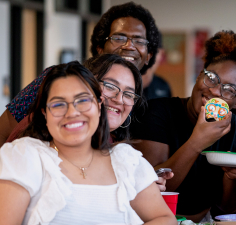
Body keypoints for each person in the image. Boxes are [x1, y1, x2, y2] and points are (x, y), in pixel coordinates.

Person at [0, 61, 177, 224]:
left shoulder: (126, 160)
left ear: (99, 106)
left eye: (83, 100)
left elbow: (165, 219)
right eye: (58, 104)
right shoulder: (24, 156)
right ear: (45, 113)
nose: (72, 112)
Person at [130, 30, 236, 222]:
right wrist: (197, 142)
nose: (214, 90)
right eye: (211, 78)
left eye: (229, 90)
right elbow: (150, 190)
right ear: (199, 76)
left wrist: (231, 177)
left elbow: (226, 209)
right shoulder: (157, 113)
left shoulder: (234, 129)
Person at [0, 1, 161, 147]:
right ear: (100, 48)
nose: (129, 46)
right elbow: (4, 130)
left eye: (139, 41)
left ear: (148, 56)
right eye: (119, 37)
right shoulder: (58, 79)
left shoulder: (143, 102)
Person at [142, 35, 172, 100]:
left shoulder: (163, 86)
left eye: (155, 52)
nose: (150, 57)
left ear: (161, 53)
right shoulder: (126, 83)